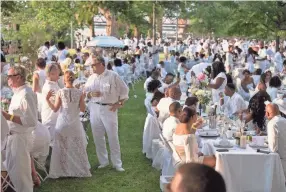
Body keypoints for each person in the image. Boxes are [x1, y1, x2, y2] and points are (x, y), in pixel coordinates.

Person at [84, 55, 129, 172]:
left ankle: (117, 163)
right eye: (91, 65)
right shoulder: (91, 77)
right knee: (97, 136)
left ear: (101, 64)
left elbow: (125, 90)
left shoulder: (113, 76)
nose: (92, 67)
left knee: (112, 136)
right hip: (94, 108)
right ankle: (103, 161)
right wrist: (90, 94)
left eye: (93, 65)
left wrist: (119, 104)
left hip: (109, 108)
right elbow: (85, 92)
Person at [46, 71, 91, 178]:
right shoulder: (79, 92)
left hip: (62, 124)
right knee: (78, 148)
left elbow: (55, 109)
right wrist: (83, 98)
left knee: (62, 148)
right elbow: (83, 109)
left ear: (64, 80)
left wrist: (47, 99)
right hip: (75, 124)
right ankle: (79, 169)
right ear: (73, 79)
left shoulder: (60, 92)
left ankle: (63, 170)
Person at [2, 66, 38, 192]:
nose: (7, 79)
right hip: (13, 137)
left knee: (22, 176)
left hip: (21, 138)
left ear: (18, 77)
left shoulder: (27, 94)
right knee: (14, 172)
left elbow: (31, 121)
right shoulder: (18, 93)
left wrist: (8, 116)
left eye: (9, 76)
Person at [41, 64, 60, 143]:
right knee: (50, 142)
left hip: (55, 117)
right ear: (50, 74)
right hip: (50, 118)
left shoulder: (54, 84)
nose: (58, 76)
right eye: (56, 74)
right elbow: (55, 104)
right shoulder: (49, 87)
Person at [265, 103, 286, 176]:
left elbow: (273, 148)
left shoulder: (272, 123)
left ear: (267, 113)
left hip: (280, 163)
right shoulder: (284, 120)